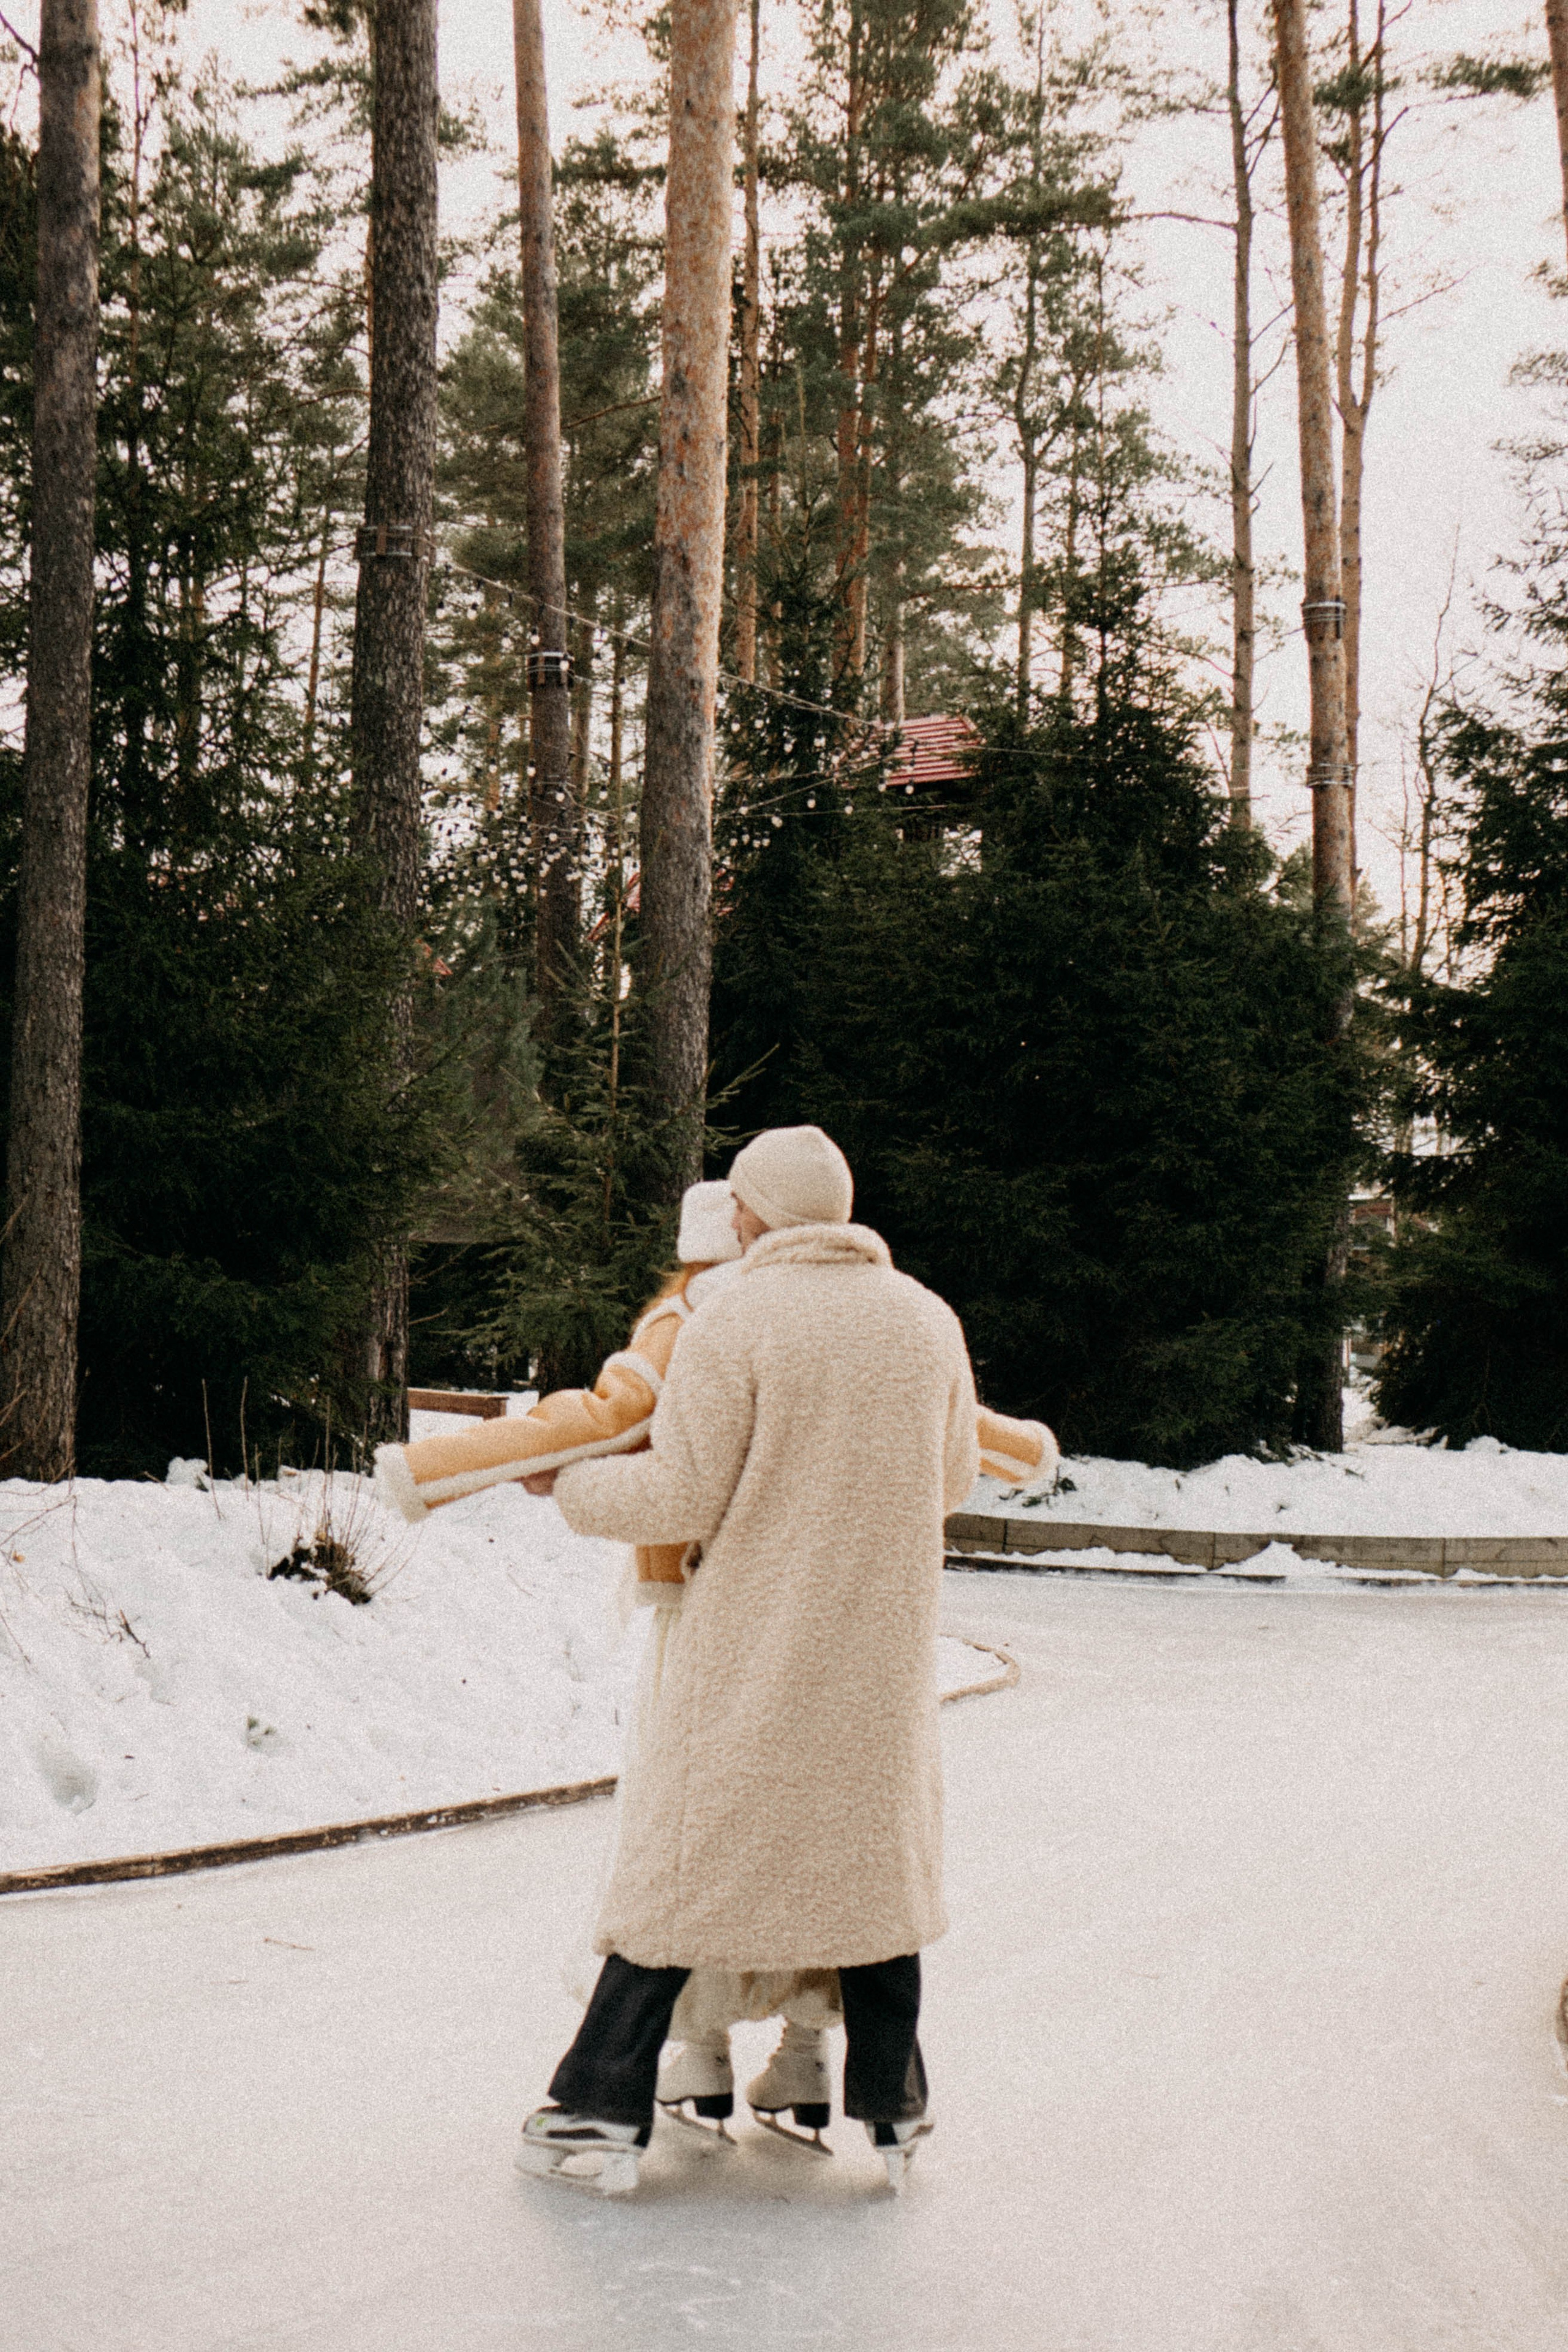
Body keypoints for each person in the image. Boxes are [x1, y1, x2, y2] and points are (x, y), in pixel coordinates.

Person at [516, 1124, 987, 2196]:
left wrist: (566, 1486)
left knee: (687, 1872)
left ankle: (596, 2107)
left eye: (735, 1203)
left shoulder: (738, 1320)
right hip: (879, 1653)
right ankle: (892, 2105)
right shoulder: (927, 1320)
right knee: (868, 1874)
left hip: (755, 1648)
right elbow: (953, 1476)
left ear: (754, 1213)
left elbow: (680, 1492)